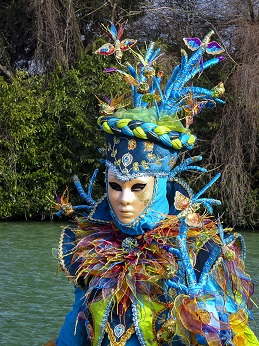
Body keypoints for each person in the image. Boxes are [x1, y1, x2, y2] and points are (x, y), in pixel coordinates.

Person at [49, 26, 259, 346]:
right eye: (115, 186)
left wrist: (201, 310)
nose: (123, 200)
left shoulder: (198, 253)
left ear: (159, 185)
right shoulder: (93, 250)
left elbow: (226, 337)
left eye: (136, 188)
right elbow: (76, 329)